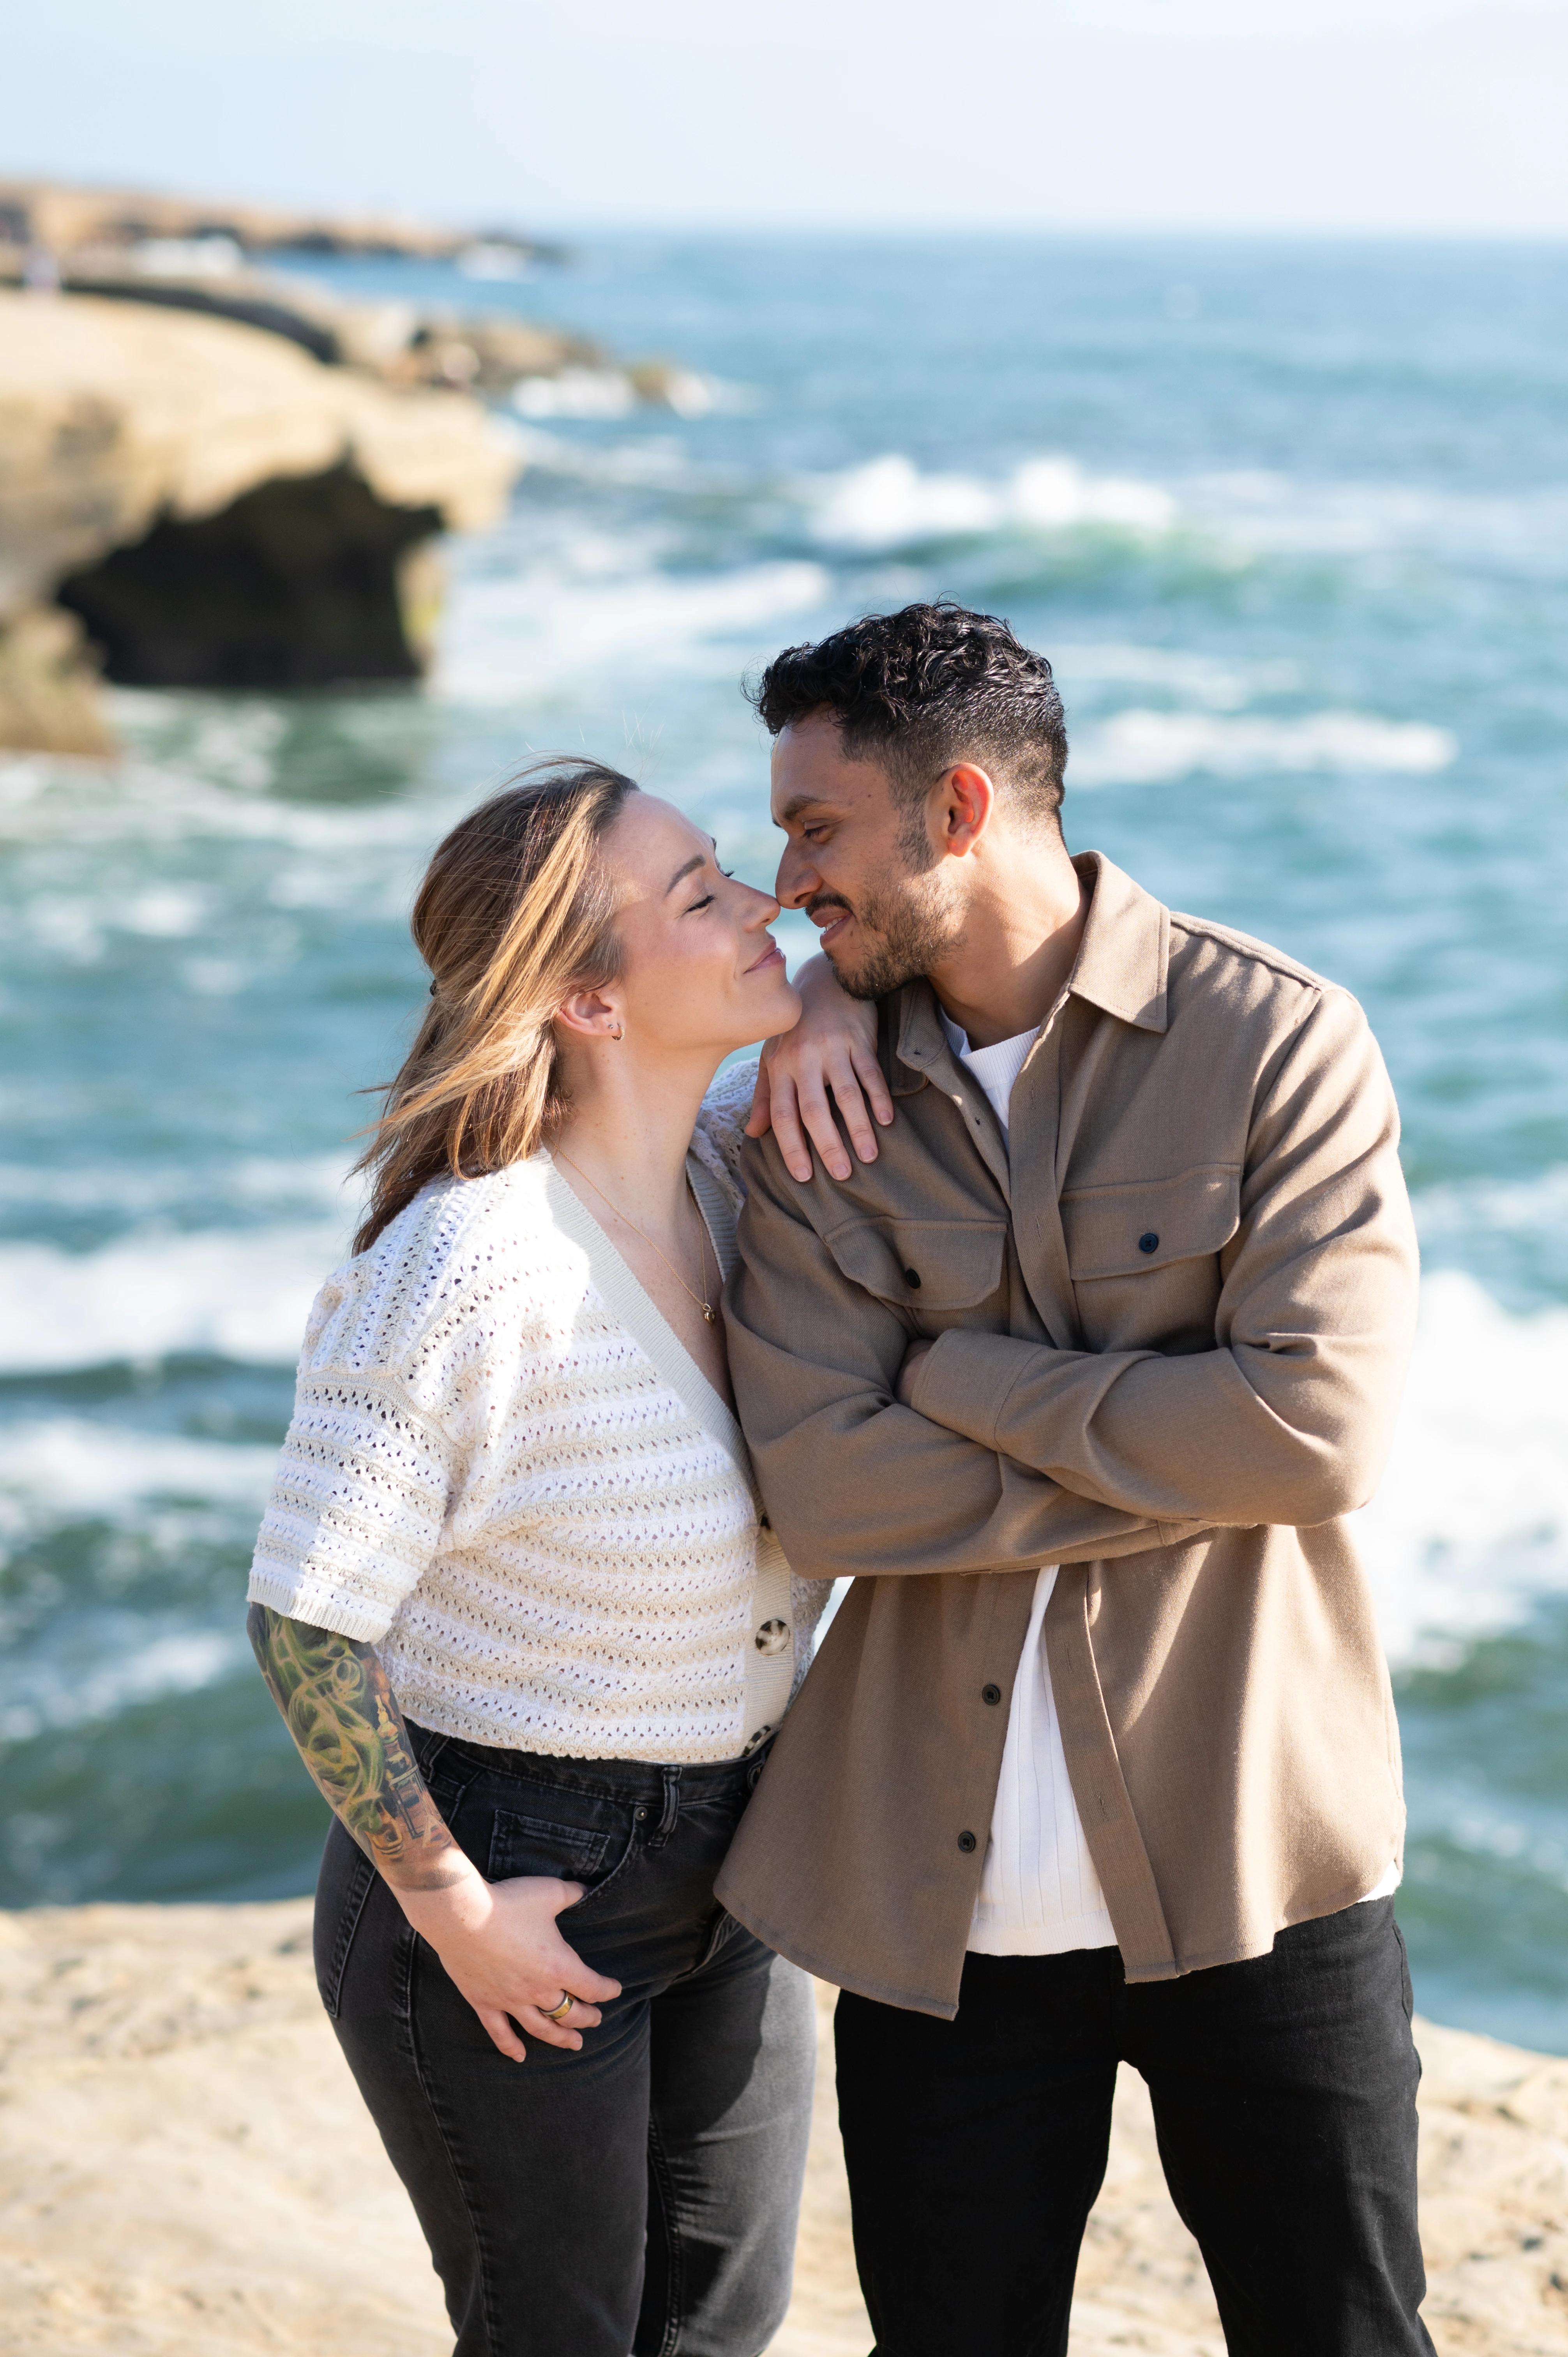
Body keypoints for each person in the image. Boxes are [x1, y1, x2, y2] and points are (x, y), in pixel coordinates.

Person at [715, 603, 1431, 2356]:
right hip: (933, 1913)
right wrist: (1195, 1447)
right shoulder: (815, 1106)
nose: (786, 883)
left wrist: (956, 1378)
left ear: (957, 809)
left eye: (817, 829)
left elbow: (1321, 1434)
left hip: (1261, 1863)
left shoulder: (1275, 1041)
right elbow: (826, 1498)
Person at [245, 758, 885, 2357]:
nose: (767, 903)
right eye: (703, 897)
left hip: (739, 1857)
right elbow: (306, 1623)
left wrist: (824, 1006)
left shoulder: (739, 1167)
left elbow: (904, 980)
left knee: (720, 2325)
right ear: (589, 1005)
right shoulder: (465, 1267)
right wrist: (454, 1911)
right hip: (514, 1865)